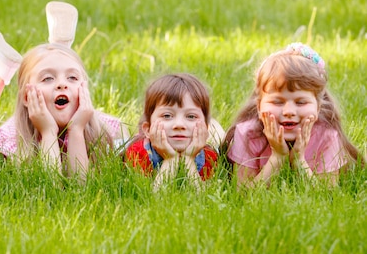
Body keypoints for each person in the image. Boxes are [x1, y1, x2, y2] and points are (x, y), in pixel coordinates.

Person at [223, 43, 362, 186]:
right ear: (259, 107)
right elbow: (242, 195)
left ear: (318, 107)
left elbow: (327, 195)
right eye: (277, 102)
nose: (289, 111)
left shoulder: (326, 137)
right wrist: (277, 157)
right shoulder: (247, 134)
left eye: (301, 102)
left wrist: (298, 160)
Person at [0, 43, 129, 178]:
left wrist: (76, 130)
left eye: (72, 78)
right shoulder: (14, 136)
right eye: (48, 78)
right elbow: (50, 188)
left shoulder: (108, 131)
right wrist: (48, 132)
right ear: (27, 96)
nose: (62, 84)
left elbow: (82, 187)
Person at [125, 73, 218, 189]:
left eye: (191, 116)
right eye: (167, 115)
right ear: (148, 129)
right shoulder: (138, 153)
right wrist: (170, 159)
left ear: (206, 129)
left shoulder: (209, 157)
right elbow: (153, 199)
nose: (179, 125)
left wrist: (188, 158)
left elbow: (201, 200)